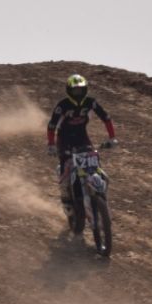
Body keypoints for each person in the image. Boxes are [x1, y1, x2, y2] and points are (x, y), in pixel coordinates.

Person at [47, 74, 119, 222]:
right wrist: (51, 145)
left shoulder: (91, 103)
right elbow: (52, 125)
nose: (78, 94)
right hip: (64, 138)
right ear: (69, 91)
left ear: (86, 90)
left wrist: (112, 138)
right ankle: (66, 199)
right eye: (75, 91)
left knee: (96, 167)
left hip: (82, 136)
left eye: (81, 90)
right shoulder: (62, 106)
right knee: (66, 167)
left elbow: (106, 118)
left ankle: (100, 197)